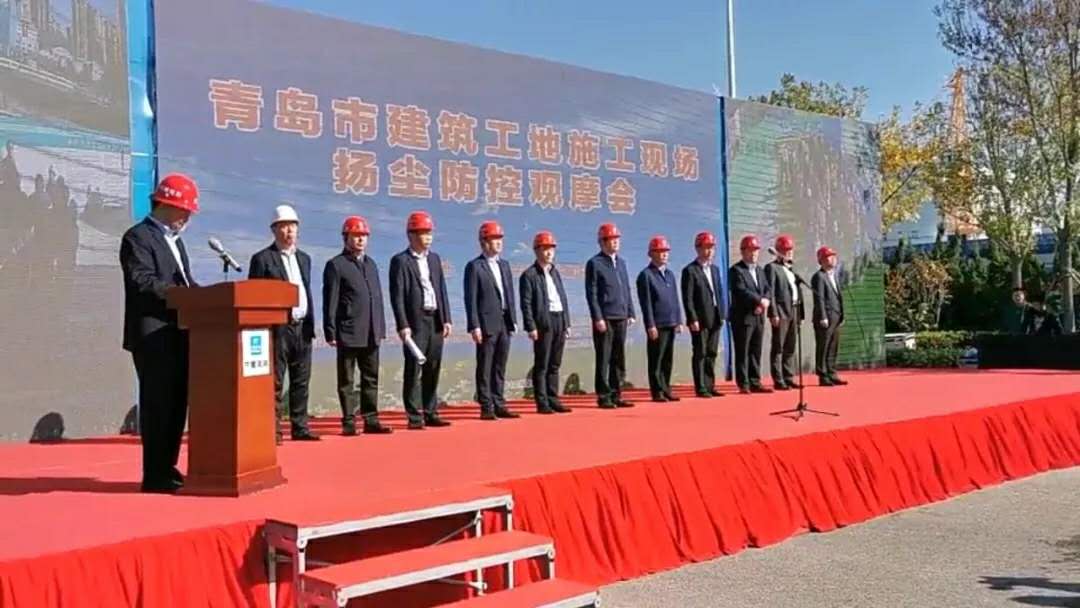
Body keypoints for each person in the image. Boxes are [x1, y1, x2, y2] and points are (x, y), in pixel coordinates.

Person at [119, 173, 199, 493]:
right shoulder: (137, 237)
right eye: (185, 210)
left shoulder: (176, 242)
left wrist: (203, 297)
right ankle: (154, 474)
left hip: (179, 332)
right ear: (166, 204)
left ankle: (168, 466)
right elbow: (142, 281)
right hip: (153, 335)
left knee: (177, 403)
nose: (187, 218)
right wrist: (180, 296)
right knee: (158, 404)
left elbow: (186, 281)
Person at [248, 204, 321, 442]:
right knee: (274, 382)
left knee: (301, 380)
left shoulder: (304, 259)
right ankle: (273, 430)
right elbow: (254, 295)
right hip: (278, 329)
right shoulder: (262, 259)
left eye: (292, 226)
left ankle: (300, 427)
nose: (289, 231)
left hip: (302, 327)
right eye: (283, 227)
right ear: (274, 230)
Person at [323, 215, 393, 435]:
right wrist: (330, 330)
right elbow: (330, 300)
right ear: (346, 238)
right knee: (347, 380)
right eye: (356, 235)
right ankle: (349, 422)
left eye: (364, 235)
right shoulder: (336, 265)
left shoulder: (371, 264)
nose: (361, 240)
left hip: (372, 331)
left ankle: (371, 419)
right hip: (348, 331)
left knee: (371, 378)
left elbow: (377, 298)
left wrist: (380, 327)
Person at [389, 211, 452, 429]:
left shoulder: (434, 259)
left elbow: (441, 289)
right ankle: (414, 416)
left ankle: (431, 411)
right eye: (424, 233)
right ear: (411, 235)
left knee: (433, 367)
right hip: (415, 322)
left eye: (430, 233)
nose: (428, 237)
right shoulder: (401, 261)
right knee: (414, 368)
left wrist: (446, 318)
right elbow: (397, 296)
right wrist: (402, 324)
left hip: (435, 319)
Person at [464, 220, 519, 420]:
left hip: (504, 321)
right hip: (486, 323)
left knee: (500, 365)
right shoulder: (475, 266)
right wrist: (474, 325)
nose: (498, 242)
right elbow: (470, 298)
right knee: (485, 365)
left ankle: (499, 403)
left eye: (500, 238)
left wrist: (513, 319)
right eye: (494, 238)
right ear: (484, 242)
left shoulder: (504, 265)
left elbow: (509, 294)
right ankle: (486, 405)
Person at [519, 230, 572, 414]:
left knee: (555, 363)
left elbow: (562, 298)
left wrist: (566, 322)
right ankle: (542, 402)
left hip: (559, 319)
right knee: (542, 363)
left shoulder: (555, 273)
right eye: (545, 249)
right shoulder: (529, 275)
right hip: (543, 322)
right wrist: (531, 326)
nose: (549, 252)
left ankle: (553, 398)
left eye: (551, 249)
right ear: (536, 251)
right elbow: (526, 303)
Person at [585, 222, 636, 409]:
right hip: (605, 318)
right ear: (602, 242)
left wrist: (630, 311)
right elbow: (591, 293)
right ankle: (603, 395)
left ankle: (616, 394)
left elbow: (626, 289)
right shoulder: (595, 263)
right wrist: (597, 317)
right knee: (604, 358)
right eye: (611, 239)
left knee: (618, 358)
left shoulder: (621, 263)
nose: (615, 242)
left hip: (621, 316)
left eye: (616, 239)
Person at [636, 235, 683, 402]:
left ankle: (666, 388)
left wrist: (678, 320)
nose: (664, 254)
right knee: (656, 359)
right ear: (651, 254)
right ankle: (657, 391)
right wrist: (650, 325)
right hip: (657, 324)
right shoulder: (646, 275)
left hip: (671, 322)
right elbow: (646, 303)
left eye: (665, 251)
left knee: (668, 359)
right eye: (660, 251)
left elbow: (675, 299)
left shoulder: (669, 274)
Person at [681, 231, 725, 399]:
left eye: (712, 247)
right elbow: (688, 298)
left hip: (716, 315)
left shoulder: (715, 269)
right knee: (700, 352)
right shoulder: (690, 271)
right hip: (700, 318)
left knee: (712, 352)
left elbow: (719, 292)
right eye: (706, 247)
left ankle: (710, 385)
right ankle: (700, 387)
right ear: (698, 249)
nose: (710, 251)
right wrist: (692, 318)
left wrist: (722, 313)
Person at [728, 235, 772, 394]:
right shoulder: (736, 270)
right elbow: (741, 291)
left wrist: (766, 299)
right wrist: (759, 301)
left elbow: (767, 288)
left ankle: (755, 381)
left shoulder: (760, 270)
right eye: (750, 250)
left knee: (756, 350)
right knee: (743, 351)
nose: (753, 253)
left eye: (756, 250)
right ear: (743, 252)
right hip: (743, 317)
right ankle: (744, 382)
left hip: (758, 317)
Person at [764, 235, 806, 391]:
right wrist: (773, 313)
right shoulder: (772, 268)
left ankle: (789, 377)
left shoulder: (791, 269)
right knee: (778, 347)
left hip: (794, 309)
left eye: (790, 250)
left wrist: (800, 314)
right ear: (778, 251)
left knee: (790, 346)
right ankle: (778, 379)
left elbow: (796, 291)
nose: (789, 253)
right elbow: (771, 292)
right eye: (785, 250)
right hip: (781, 312)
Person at [811, 245, 848, 386]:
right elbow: (819, 298)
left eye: (833, 256)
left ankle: (832, 373)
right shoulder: (819, 277)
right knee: (823, 346)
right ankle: (823, 375)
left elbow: (838, 297)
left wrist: (842, 315)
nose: (832, 259)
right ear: (821, 260)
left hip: (836, 317)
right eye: (827, 257)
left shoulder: (834, 276)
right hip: (825, 318)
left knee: (833, 346)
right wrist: (823, 317)